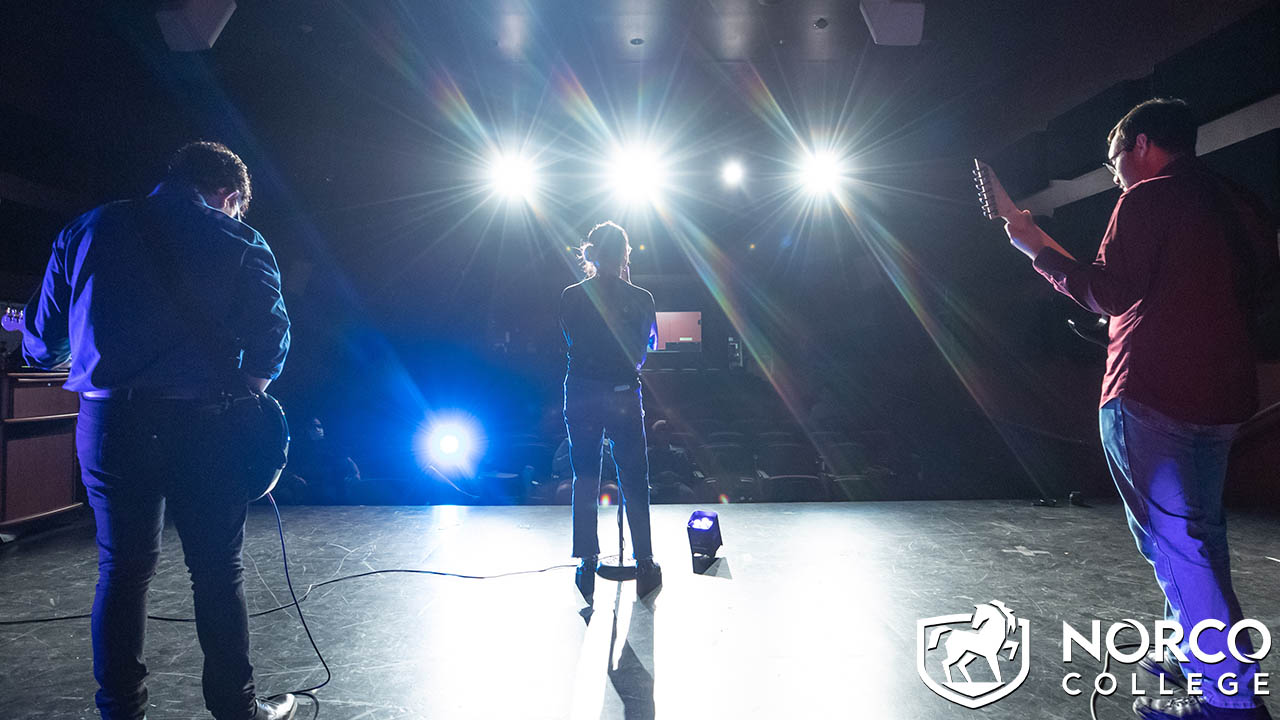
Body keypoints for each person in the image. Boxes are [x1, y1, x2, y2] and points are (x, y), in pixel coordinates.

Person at [1003, 98, 1277, 720]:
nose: (1115, 174)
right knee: (1197, 535)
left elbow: (1106, 291)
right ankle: (1188, 652)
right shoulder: (1245, 204)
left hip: (1152, 395)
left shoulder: (1148, 198)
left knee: (1178, 545)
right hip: (1225, 397)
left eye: (1114, 160)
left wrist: (1035, 248)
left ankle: (1229, 702)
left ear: (1143, 144)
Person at [21, 142, 296, 720]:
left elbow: (43, 346)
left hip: (110, 422)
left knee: (121, 571)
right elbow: (272, 339)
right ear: (228, 196)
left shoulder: (87, 229)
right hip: (207, 424)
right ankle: (236, 710)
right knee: (218, 571)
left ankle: (121, 712)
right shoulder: (240, 240)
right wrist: (243, 388)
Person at [559, 221, 662, 602]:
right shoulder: (642, 297)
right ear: (624, 254)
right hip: (621, 392)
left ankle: (586, 561)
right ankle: (646, 562)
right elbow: (644, 349)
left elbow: (570, 340)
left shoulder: (571, 295)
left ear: (592, 252)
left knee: (585, 474)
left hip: (582, 391)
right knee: (634, 475)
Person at [646, 419, 697, 503]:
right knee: (648, 494)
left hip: (677, 485)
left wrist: (674, 476)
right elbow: (643, 476)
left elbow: (687, 476)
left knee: (688, 493)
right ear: (654, 434)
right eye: (660, 431)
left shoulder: (680, 453)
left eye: (666, 431)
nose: (663, 434)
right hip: (655, 485)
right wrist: (658, 477)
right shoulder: (648, 454)